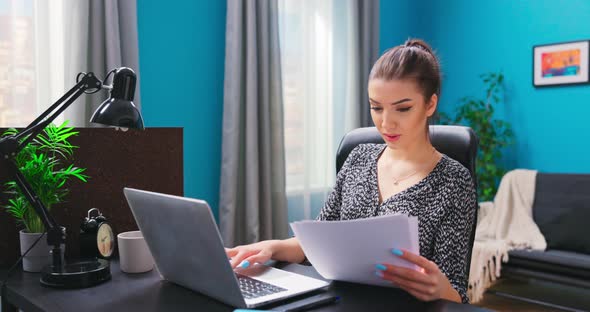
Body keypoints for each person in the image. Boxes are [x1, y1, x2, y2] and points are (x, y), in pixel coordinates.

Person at [225, 38, 477, 304]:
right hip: (339, 303)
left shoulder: (454, 181)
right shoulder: (358, 157)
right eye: (376, 107)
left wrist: (438, 288)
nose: (386, 122)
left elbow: (456, 292)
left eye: (403, 108)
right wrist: (273, 247)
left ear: (429, 105)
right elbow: (319, 241)